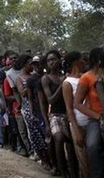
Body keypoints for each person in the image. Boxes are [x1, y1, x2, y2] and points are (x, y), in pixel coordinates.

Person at [41, 50, 77, 178]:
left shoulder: (66, 76)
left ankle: (73, 171)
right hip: (55, 114)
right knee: (59, 138)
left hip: (68, 113)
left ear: (59, 60)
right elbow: (50, 100)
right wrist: (62, 85)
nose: (51, 62)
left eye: (54, 59)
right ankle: (62, 172)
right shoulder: (46, 79)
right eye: (49, 60)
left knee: (72, 145)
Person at [74, 47, 104, 178]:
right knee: (92, 146)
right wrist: (98, 117)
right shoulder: (86, 77)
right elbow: (77, 103)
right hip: (96, 118)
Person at [62, 51, 90, 178]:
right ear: (75, 62)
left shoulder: (86, 77)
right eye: (82, 60)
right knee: (84, 160)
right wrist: (76, 130)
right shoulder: (67, 83)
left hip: (92, 122)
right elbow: (69, 108)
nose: (84, 62)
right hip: (79, 123)